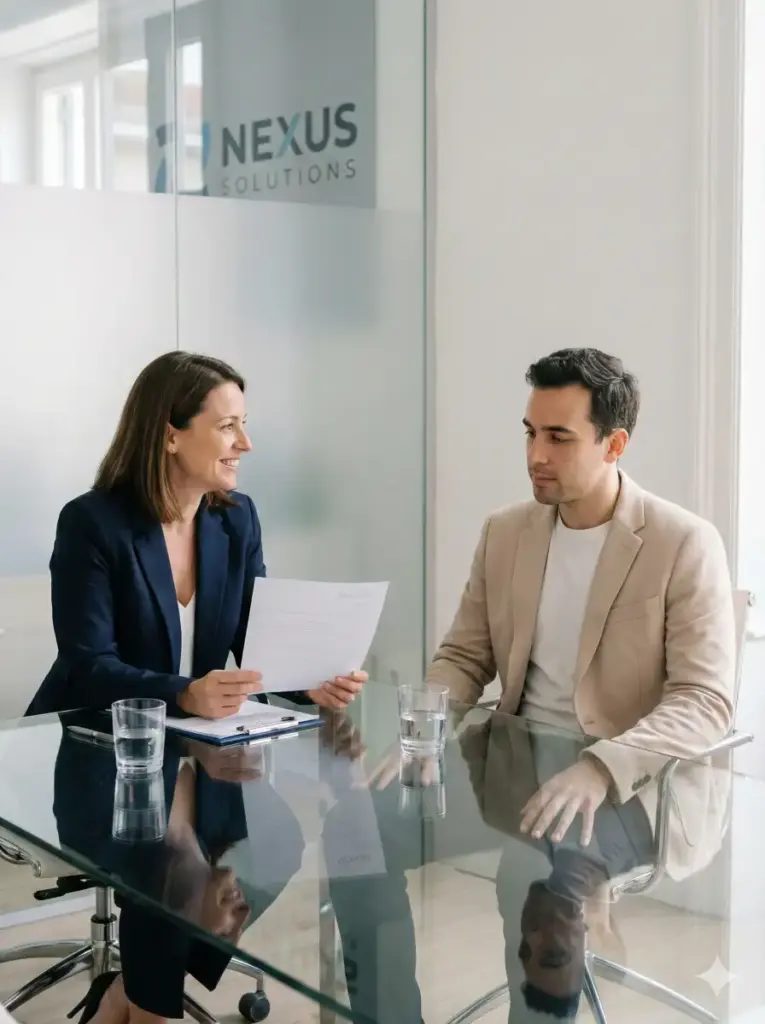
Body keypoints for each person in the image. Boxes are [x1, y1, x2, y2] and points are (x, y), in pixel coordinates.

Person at [329, 347, 736, 1021]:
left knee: (542, 881)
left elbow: (703, 700)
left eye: (558, 437)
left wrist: (600, 769)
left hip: (632, 786)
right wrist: (422, 737)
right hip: (512, 760)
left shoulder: (682, 543)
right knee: (357, 830)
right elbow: (464, 655)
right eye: (529, 432)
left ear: (614, 444)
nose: (535, 455)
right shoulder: (506, 532)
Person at [26, 351, 368, 1023]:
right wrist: (184, 692)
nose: (246, 444)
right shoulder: (93, 524)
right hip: (102, 750)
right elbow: (88, 663)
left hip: (196, 749)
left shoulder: (232, 518)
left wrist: (310, 681)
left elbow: (255, 637)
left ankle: (132, 994)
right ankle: (152, 1008)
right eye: (228, 426)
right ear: (170, 433)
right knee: (169, 865)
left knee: (277, 843)